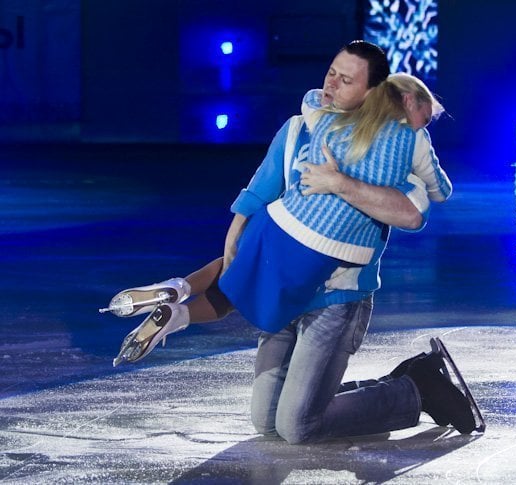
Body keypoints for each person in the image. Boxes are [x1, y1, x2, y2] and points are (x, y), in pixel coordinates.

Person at [103, 41, 479, 441]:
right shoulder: (299, 128)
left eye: (346, 78)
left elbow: (412, 214)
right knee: (268, 422)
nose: (332, 81)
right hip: (284, 286)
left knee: (297, 426)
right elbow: (256, 197)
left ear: (371, 92)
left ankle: (416, 390)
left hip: (337, 298)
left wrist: (340, 183)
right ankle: (178, 298)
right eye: (332, 70)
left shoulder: (389, 148)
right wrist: (235, 251)